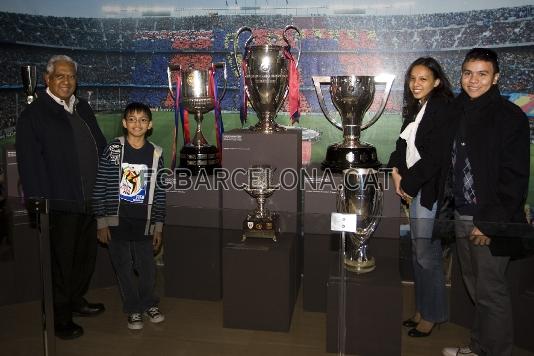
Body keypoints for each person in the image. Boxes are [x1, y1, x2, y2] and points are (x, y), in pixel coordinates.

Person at [441, 48, 530, 356]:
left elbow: (514, 178)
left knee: (491, 293)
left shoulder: (509, 116)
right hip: (462, 214)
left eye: (482, 74)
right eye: (468, 73)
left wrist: (489, 223)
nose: (473, 80)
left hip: (488, 220)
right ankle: (479, 348)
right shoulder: (457, 110)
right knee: (475, 288)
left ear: (496, 78)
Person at [16, 55, 107, 339]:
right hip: (59, 202)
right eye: (60, 76)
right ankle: (60, 317)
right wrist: (37, 203)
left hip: (89, 199)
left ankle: (76, 300)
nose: (67, 82)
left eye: (71, 77)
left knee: (84, 258)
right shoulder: (34, 114)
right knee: (61, 263)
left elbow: (100, 146)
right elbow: (29, 162)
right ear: (47, 79)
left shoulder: (83, 108)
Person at [388, 57, 454, 337]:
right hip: (416, 188)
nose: (416, 84)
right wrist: (394, 171)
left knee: (427, 255)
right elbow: (401, 146)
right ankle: (423, 309)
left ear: (437, 82)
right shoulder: (417, 108)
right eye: (413, 78)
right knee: (419, 253)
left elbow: (436, 158)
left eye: (423, 79)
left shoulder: (442, 109)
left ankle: (433, 315)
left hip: (429, 191)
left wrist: (408, 184)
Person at [92, 102, 166, 330]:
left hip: (144, 223)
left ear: (150, 124)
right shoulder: (114, 149)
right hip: (117, 222)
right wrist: (101, 221)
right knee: (123, 268)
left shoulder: (155, 153)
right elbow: (101, 184)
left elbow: (160, 191)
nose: (137, 124)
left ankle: (148, 303)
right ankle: (133, 309)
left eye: (143, 119)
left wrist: (158, 225)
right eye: (132, 119)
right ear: (124, 123)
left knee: (147, 269)